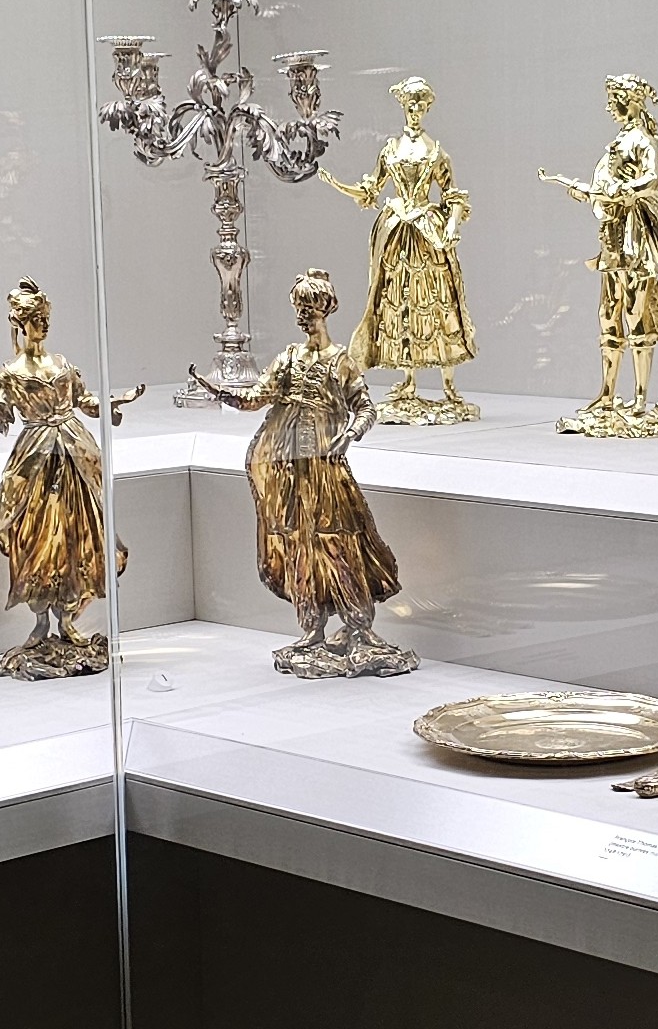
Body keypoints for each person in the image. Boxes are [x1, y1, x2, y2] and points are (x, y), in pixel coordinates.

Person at [190, 270, 415, 679]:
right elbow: (257, 397)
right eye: (299, 307)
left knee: (339, 542)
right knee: (298, 546)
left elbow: (367, 408)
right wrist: (218, 391)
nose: (303, 315)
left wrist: (350, 434)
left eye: (309, 307)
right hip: (288, 470)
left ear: (325, 309)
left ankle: (358, 626)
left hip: (327, 470)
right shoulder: (289, 358)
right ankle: (312, 630)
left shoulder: (341, 361)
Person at [0, 281, 145, 678]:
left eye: (46, 318)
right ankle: (40, 623)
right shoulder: (11, 374)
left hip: (75, 455)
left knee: (76, 537)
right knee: (36, 541)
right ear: (20, 323)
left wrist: (113, 402)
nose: (43, 325)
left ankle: (67, 621)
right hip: (36, 459)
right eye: (36, 319)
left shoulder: (63, 365)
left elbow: (85, 401)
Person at [541, 73, 658, 437]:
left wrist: (627, 190)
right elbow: (604, 186)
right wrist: (587, 192)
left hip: (635, 239)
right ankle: (606, 395)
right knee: (608, 314)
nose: (610, 106)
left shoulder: (642, 140)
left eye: (614, 99)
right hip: (613, 237)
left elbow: (652, 180)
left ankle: (640, 399)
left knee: (636, 315)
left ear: (631, 101)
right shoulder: (621, 140)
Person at [326, 76, 479, 424]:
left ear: (427, 108)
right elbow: (371, 189)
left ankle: (448, 385)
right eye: (410, 104)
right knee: (399, 301)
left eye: (420, 104)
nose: (415, 110)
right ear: (403, 107)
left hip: (426, 232)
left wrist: (452, 226)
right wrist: (340, 186)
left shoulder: (437, 152)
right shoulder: (390, 150)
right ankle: (408, 381)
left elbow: (453, 195)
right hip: (395, 234)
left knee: (438, 302)